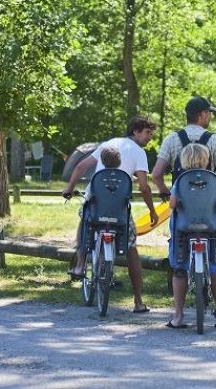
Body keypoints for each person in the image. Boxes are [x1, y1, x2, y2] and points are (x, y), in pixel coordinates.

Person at [63, 116, 158, 314]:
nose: (150, 138)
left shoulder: (109, 143)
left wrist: (69, 189)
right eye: (148, 133)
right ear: (135, 131)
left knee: (85, 220)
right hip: (119, 210)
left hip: (96, 204)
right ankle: (138, 301)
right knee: (132, 250)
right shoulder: (139, 153)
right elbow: (144, 187)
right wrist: (152, 211)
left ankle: (80, 265)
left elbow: (81, 167)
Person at [166, 143, 216, 329]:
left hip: (184, 229)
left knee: (179, 268)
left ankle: (178, 316)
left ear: (184, 160)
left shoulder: (181, 180)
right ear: (207, 160)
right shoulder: (213, 180)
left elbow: (172, 204)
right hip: (211, 229)